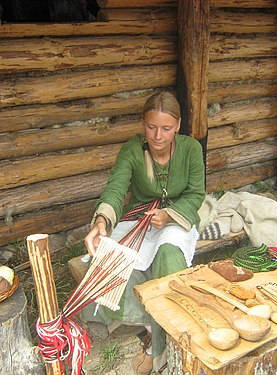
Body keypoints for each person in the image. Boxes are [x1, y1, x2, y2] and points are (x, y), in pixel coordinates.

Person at [82, 91, 205, 374]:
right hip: (140, 220)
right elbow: (115, 188)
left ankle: (159, 345)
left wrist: (169, 214)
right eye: (151, 127)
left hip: (177, 218)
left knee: (168, 257)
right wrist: (101, 221)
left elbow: (196, 194)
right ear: (142, 124)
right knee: (108, 259)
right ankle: (153, 324)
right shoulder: (132, 150)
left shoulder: (191, 149)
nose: (158, 135)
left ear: (178, 125)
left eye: (165, 128)